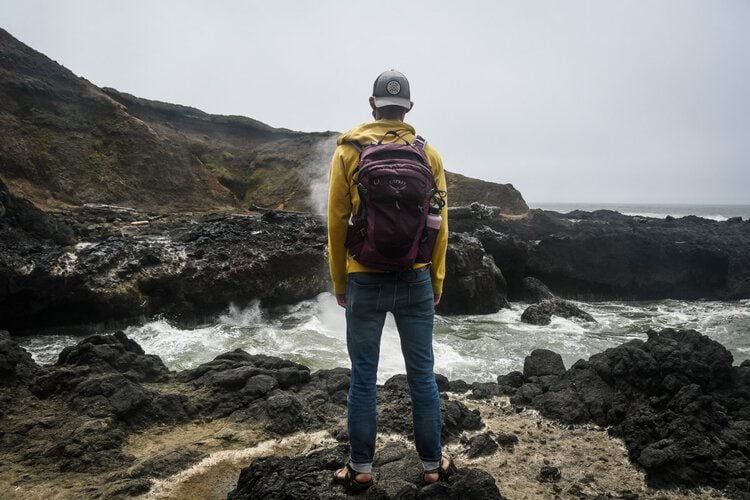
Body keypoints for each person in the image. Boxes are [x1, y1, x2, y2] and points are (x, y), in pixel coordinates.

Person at [327, 69, 451, 492]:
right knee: (423, 375)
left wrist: (340, 281)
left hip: (364, 276)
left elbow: (336, 224)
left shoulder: (347, 151)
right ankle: (433, 465)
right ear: (409, 109)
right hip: (415, 276)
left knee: (363, 376)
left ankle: (361, 467)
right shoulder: (428, 154)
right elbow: (440, 224)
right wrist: (435, 279)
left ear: (372, 104)